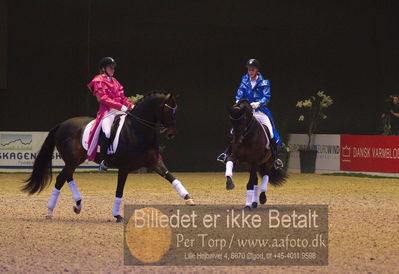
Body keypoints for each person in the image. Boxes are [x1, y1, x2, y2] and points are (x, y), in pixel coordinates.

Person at [217, 58, 283, 169]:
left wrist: (258, 103)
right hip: (245, 111)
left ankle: (276, 158)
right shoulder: (244, 80)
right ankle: (226, 153)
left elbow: (266, 97)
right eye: (249, 69)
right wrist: (238, 103)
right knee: (233, 130)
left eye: (252, 69)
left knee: (271, 132)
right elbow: (239, 94)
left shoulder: (264, 83)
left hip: (259, 111)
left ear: (256, 70)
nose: (250, 71)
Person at [87, 57, 134, 171]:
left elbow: (122, 98)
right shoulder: (98, 80)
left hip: (120, 111)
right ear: (103, 68)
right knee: (107, 131)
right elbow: (102, 99)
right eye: (110, 67)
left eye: (114, 68)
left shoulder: (115, 81)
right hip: (107, 112)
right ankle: (103, 160)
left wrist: (130, 105)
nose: (113, 70)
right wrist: (120, 106)